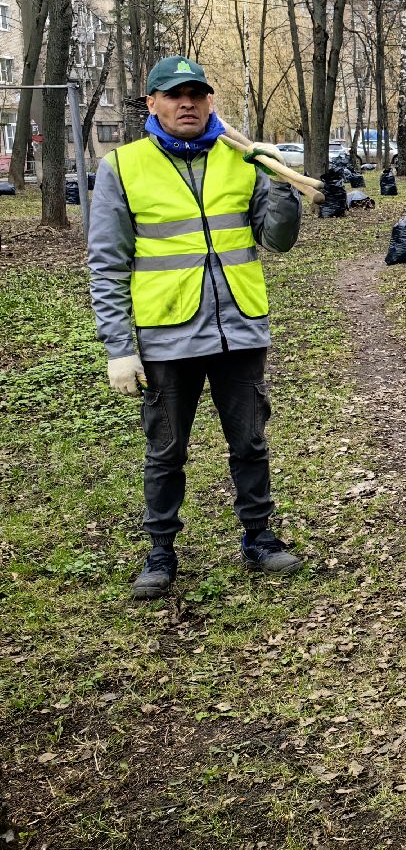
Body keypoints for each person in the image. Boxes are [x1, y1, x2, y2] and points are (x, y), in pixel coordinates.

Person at [87, 55, 304, 600]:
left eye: (197, 94)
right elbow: (107, 264)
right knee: (165, 451)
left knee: (250, 442)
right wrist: (119, 347)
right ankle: (161, 551)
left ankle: (259, 538)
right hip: (167, 337)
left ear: (210, 101)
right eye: (174, 94)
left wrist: (280, 179)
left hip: (239, 329)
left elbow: (278, 240)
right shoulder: (124, 166)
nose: (187, 103)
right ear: (152, 103)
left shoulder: (242, 159)